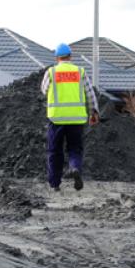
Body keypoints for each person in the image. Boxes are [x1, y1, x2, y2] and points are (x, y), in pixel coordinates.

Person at [40, 43, 100, 191]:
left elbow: (44, 90)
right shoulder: (80, 71)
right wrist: (94, 112)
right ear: (70, 56)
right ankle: (75, 167)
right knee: (75, 148)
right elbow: (90, 93)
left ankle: (55, 184)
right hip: (76, 119)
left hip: (57, 119)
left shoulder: (52, 72)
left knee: (55, 150)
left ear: (57, 58)